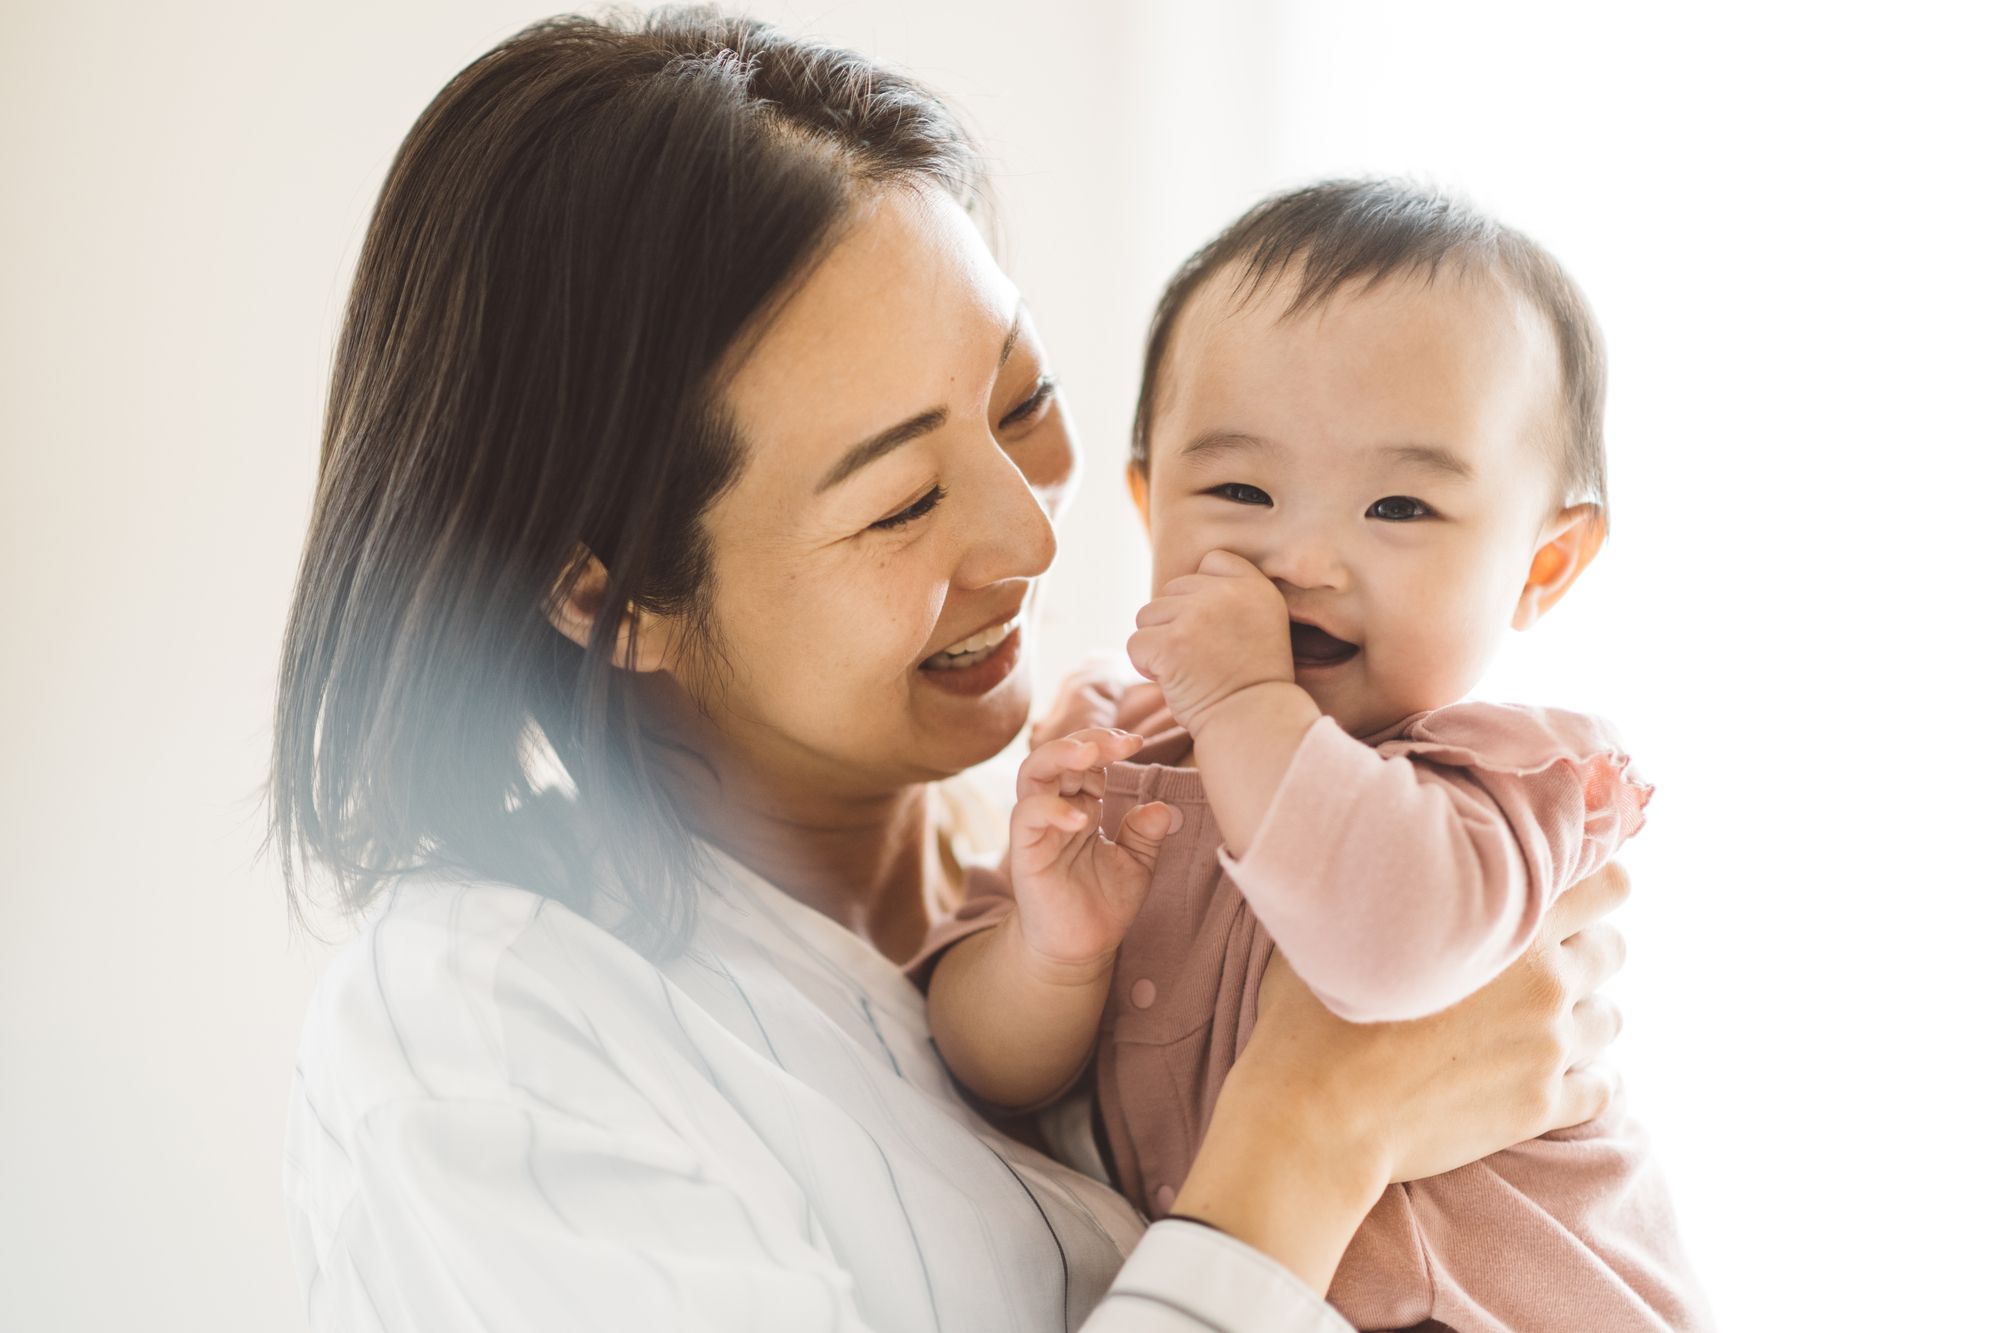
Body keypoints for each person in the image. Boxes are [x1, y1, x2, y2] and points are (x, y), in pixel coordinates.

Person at [272, 11, 1631, 1331]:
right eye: (904, 497)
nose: (1035, 533)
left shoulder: (1114, 835)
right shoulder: (492, 1031)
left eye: (1024, 402)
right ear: (602, 590)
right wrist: (1319, 1123)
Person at [916, 181, 1712, 1330]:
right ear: (1150, 509)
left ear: (1542, 566)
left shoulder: (1507, 781)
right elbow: (985, 1063)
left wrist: (1243, 697)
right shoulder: (1114, 741)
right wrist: (1052, 952)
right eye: (1238, 490)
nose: (1302, 557)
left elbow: (1384, 957)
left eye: (1398, 506)